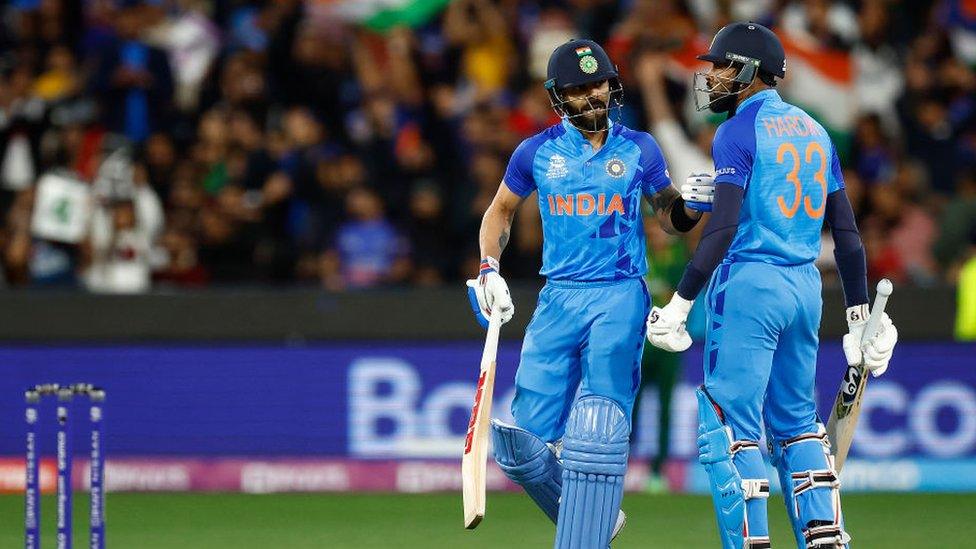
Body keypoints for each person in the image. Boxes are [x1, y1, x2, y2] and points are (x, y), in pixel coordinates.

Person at [646, 22, 899, 549]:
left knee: (728, 425)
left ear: (745, 70)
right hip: (805, 290)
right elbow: (848, 236)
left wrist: (680, 301)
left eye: (718, 65)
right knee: (797, 424)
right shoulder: (815, 129)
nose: (711, 76)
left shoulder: (736, 131)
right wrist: (858, 315)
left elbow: (725, 227)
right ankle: (825, 538)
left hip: (750, 288)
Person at [466, 39, 703, 548]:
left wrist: (689, 207)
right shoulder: (536, 151)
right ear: (559, 97)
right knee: (519, 447)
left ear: (611, 84)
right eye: (578, 89)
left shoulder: (639, 147)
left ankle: (583, 536)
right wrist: (489, 269)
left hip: (620, 294)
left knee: (598, 429)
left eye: (597, 84)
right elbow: (499, 212)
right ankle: (595, 518)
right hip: (558, 298)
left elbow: (667, 212)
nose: (591, 95)